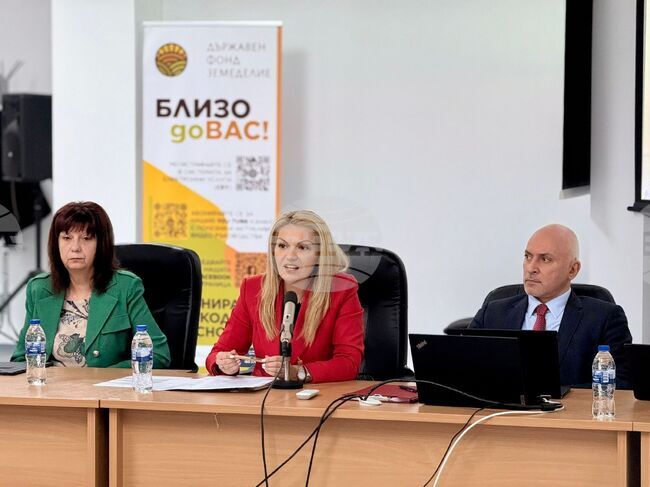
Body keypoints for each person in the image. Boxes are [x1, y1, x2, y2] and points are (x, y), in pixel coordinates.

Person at [206, 210, 364, 383]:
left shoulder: (341, 290)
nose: (290, 256)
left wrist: (299, 372)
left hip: (317, 395)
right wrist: (223, 364)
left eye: (302, 247)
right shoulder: (252, 288)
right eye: (282, 246)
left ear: (320, 254)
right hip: (263, 395)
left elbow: (349, 362)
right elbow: (218, 353)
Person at [470, 224, 632, 388]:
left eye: (545, 259)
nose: (531, 268)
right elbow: (462, 370)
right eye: (528, 257)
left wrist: (561, 395)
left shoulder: (604, 318)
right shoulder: (491, 314)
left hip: (572, 405)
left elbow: (622, 383)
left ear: (572, 269)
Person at [11, 201, 171, 368]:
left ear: (101, 244)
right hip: (51, 384)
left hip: (106, 385)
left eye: (86, 238)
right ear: (55, 243)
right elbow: (21, 359)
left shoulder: (126, 287)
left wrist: (101, 378)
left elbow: (158, 354)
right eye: (66, 238)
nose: (75, 248)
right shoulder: (40, 289)